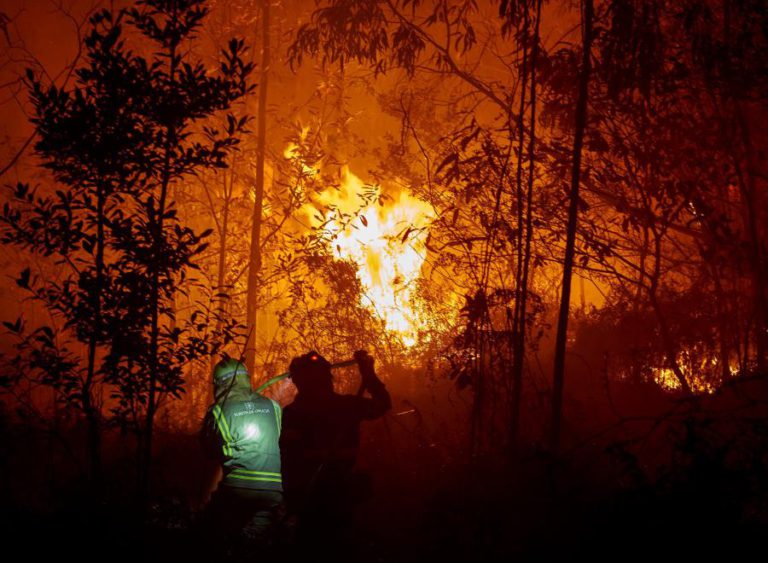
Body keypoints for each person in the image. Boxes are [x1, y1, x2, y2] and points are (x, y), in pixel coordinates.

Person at [280, 349, 391, 549]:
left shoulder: (292, 414)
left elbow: (287, 462)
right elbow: (382, 404)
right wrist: (369, 375)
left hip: (310, 501)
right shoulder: (347, 406)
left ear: (299, 381)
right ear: (327, 378)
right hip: (337, 499)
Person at [198, 357, 284, 559]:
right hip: (272, 491)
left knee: (211, 535)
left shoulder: (218, 411)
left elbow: (208, 452)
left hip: (237, 490)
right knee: (256, 546)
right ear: (246, 378)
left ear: (219, 384)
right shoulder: (273, 406)